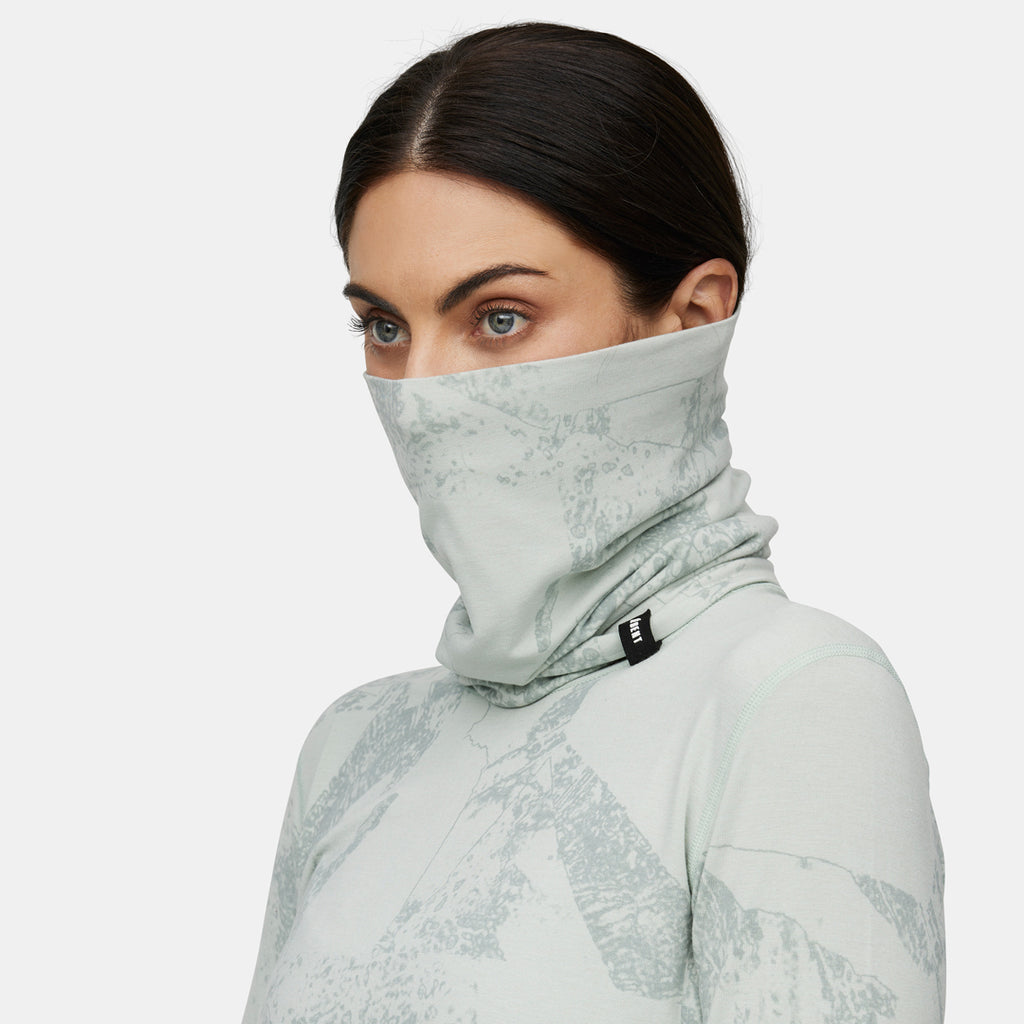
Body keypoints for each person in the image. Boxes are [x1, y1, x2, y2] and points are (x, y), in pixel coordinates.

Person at [243, 22, 945, 1023]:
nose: (423, 393)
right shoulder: (354, 745)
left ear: (692, 317)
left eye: (498, 318)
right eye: (385, 326)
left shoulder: (792, 697)